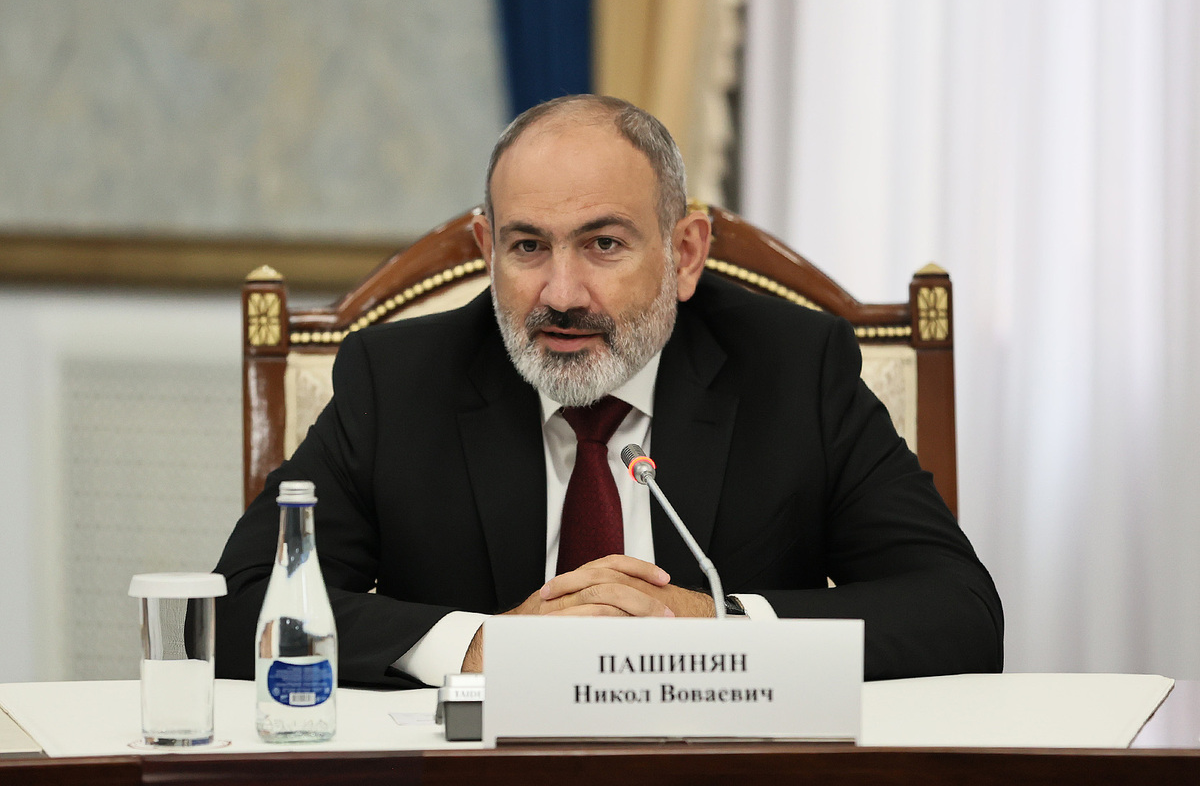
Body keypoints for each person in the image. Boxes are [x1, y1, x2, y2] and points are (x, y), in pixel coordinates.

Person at [213, 95, 1003, 688]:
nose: (561, 293)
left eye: (603, 243)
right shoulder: (398, 382)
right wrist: (486, 645)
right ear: (488, 250)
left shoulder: (793, 369)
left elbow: (959, 611)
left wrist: (715, 625)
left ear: (684, 254)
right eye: (528, 246)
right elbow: (242, 605)